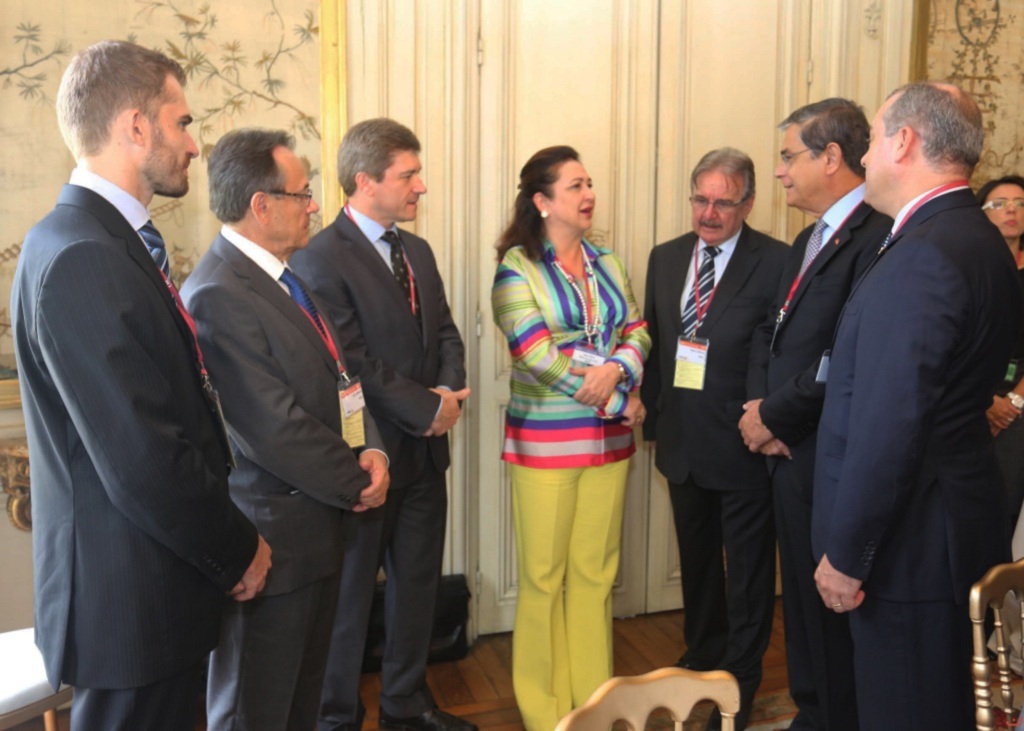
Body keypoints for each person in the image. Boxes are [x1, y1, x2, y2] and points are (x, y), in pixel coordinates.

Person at [10, 40, 270, 730]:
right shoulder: (81, 255)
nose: (194, 143)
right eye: (181, 122)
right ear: (135, 127)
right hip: (130, 608)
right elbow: (143, 454)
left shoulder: (94, 240)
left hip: (150, 594)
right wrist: (236, 547)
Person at [812, 82, 1023, 729]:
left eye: (873, 139)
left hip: (910, 551)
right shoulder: (977, 238)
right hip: (957, 523)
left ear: (904, 141)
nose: (866, 156)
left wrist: (848, 555)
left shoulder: (925, 254)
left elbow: (891, 425)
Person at [180, 128, 390, 730]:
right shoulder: (218, 294)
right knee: (256, 711)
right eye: (303, 193)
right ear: (261, 205)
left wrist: (372, 449)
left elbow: (341, 380)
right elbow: (273, 428)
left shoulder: (287, 279)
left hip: (317, 535)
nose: (315, 206)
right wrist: (356, 481)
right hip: (271, 547)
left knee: (300, 707)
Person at [289, 118, 471, 731]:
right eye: (408, 175)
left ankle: (406, 707)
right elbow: (351, 360)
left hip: (426, 456)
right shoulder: (319, 257)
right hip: (366, 460)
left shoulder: (416, 250)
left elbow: (444, 331)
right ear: (365, 181)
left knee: (416, 587)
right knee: (349, 600)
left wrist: (446, 394)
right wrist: (426, 410)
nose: (421, 186)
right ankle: (337, 717)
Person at [740, 99, 891, 731]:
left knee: (831, 612)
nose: (778, 172)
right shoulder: (809, 236)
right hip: (788, 451)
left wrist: (775, 415)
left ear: (832, 157)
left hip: (825, 450)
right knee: (799, 604)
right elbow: (772, 335)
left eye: (787, 156)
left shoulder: (877, 234)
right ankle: (813, 711)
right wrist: (760, 413)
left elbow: (845, 357)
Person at [490, 145, 649, 731]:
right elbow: (535, 356)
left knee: (595, 575)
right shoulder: (516, 268)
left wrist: (622, 371)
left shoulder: (606, 258)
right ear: (542, 200)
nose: (589, 195)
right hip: (546, 447)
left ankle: (594, 706)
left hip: (608, 445)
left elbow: (637, 328)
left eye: (590, 184)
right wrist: (619, 399)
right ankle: (544, 714)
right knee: (543, 578)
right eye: (576, 186)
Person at [641, 147, 788, 730]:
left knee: (749, 573)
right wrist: (653, 419)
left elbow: (778, 351)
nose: (709, 212)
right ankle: (702, 655)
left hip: (743, 442)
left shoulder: (777, 261)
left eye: (723, 202)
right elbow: (654, 339)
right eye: (700, 199)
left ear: (748, 203)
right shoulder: (666, 256)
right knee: (697, 562)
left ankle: (739, 680)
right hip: (681, 440)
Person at [977, 175, 1024, 529]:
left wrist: (1012, 405)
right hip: (969, 403)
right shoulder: (969, 266)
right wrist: (985, 402)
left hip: (1018, 407)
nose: (1012, 210)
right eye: (1000, 203)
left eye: (1021, 204)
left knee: (1007, 504)